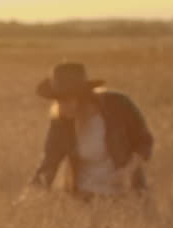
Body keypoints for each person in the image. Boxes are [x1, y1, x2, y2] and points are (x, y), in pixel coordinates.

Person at [28, 62, 154, 199]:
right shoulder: (60, 123)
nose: (62, 105)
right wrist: (29, 196)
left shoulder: (119, 105)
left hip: (127, 194)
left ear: (83, 96)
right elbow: (49, 163)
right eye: (58, 100)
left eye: (68, 99)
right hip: (84, 198)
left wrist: (128, 170)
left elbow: (144, 141)